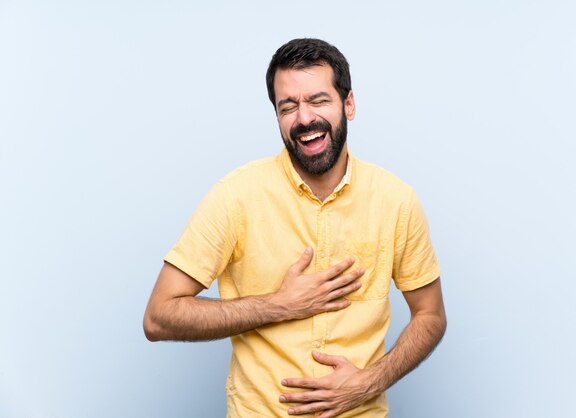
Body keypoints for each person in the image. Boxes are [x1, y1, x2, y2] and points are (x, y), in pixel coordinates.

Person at [143, 38, 447, 418]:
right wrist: (278, 305)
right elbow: (158, 317)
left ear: (348, 104)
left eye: (318, 100)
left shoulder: (396, 201)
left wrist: (371, 381)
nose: (304, 119)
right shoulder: (235, 196)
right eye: (289, 106)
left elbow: (431, 315)